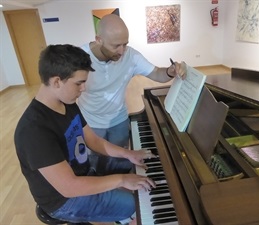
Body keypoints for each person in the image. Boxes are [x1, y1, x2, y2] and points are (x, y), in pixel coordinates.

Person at [14, 44, 156, 225]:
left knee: (134, 163)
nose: (83, 89)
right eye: (79, 83)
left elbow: (93, 140)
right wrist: (121, 180)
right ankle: (125, 217)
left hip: (83, 172)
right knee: (134, 204)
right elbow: (69, 187)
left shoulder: (67, 102)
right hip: (63, 200)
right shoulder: (34, 130)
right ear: (57, 81)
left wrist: (129, 153)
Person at [78, 14, 187, 174]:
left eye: (125, 44)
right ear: (98, 39)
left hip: (119, 120)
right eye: (116, 46)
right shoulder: (80, 58)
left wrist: (171, 71)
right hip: (91, 122)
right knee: (95, 165)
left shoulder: (131, 56)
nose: (122, 51)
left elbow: (157, 73)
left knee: (120, 164)